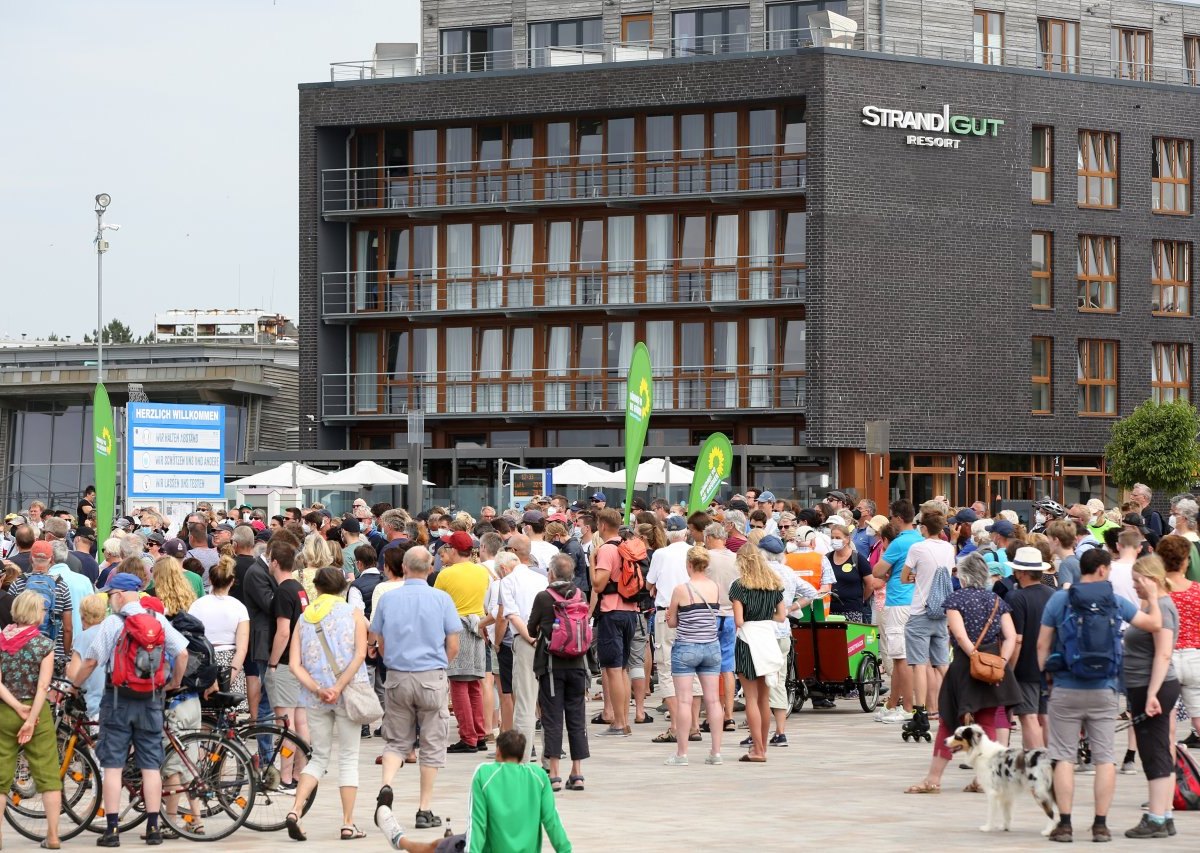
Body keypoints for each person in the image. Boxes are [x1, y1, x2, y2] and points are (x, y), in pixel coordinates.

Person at [1037, 548, 1162, 843]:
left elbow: (1042, 644)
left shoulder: (1060, 599)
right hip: (1104, 688)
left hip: (1066, 687)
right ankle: (1100, 825)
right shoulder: (1114, 601)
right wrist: (1153, 597)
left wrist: (1047, 677)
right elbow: (1153, 624)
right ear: (1103, 570)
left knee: (1064, 756)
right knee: (1105, 758)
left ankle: (1065, 824)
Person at [67, 573, 189, 846]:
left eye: (111, 595)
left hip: (118, 699)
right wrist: (174, 683)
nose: (110, 600)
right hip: (151, 700)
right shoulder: (157, 620)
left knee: (112, 766)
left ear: (120, 595)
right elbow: (182, 652)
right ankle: (154, 828)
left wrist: (74, 686)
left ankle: (112, 831)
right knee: (150, 765)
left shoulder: (113, 622)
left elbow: (90, 661)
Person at [904, 552, 1022, 795]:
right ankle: (984, 779)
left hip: (965, 667)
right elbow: (1010, 636)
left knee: (949, 723)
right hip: (993, 668)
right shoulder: (997, 601)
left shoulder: (956, 599)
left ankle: (933, 779)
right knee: (988, 722)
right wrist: (1000, 661)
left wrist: (973, 655)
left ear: (964, 577)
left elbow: (959, 635)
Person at [370, 546, 461, 830]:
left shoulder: (388, 599)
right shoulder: (442, 599)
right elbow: (454, 644)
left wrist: (392, 659)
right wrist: (439, 665)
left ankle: (386, 785)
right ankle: (424, 808)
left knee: (396, 741)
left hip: (398, 675)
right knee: (432, 743)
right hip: (430, 675)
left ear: (404, 568)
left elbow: (379, 639)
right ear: (430, 569)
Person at [375, 730, 570, 853]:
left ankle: (399, 839)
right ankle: (400, 840)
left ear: (499, 753)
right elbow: (552, 822)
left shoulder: (485, 773)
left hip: (481, 847)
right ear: (521, 756)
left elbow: (477, 823)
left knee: (435, 846)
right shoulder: (539, 776)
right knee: (443, 843)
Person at [285, 566, 371, 841]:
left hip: (315, 697)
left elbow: (294, 665)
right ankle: (347, 823)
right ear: (342, 589)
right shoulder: (353, 614)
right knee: (348, 759)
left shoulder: (304, 619)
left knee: (319, 757)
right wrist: (337, 687)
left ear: (317, 588)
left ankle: (296, 810)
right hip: (348, 693)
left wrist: (319, 689)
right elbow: (360, 655)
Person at [1121, 555, 1181, 839]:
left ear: (1152, 580)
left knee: (1154, 751)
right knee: (1156, 750)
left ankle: (1156, 816)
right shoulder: (1156, 605)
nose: (1134, 587)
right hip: (1146, 685)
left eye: (1138, 582)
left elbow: (1164, 652)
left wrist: (1152, 693)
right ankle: (1164, 814)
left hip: (1151, 686)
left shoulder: (1164, 608)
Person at [0, 590, 63, 848]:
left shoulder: (1, 640)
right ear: (37, 613)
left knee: (1, 777)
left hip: (5, 710)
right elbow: (43, 687)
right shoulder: (44, 644)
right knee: (48, 774)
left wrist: (16, 706)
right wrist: (31, 717)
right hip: (37, 714)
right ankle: (53, 835)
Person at [529, 554, 590, 790]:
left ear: (551, 573)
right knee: (576, 718)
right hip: (578, 664)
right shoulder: (580, 595)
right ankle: (577, 773)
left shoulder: (544, 597)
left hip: (551, 666)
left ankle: (554, 773)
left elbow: (532, 629)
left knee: (552, 719)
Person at [662, 545, 727, 766]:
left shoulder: (681, 589)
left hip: (686, 647)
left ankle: (682, 754)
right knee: (713, 700)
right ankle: (715, 752)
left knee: (684, 701)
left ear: (689, 565)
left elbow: (672, 622)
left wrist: (671, 616)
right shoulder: (716, 587)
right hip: (711, 646)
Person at [434, 531, 491, 754]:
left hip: (456, 630)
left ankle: (468, 737)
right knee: (474, 684)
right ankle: (479, 733)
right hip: (478, 628)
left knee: (458, 685)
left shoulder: (445, 575)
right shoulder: (482, 572)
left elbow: (436, 605)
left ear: (454, 550)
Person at [730, 543, 787, 763]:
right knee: (764, 699)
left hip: (747, 640)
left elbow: (739, 620)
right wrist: (765, 619)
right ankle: (762, 747)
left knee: (750, 698)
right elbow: (781, 616)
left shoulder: (739, 586)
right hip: (768, 638)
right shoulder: (774, 584)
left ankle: (757, 748)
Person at [901, 510, 955, 736]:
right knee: (942, 662)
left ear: (923, 527)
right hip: (941, 610)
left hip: (921, 609)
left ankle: (920, 712)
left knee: (919, 664)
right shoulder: (948, 548)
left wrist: (914, 577)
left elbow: (904, 577)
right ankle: (956, 703)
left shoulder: (918, 548)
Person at [646, 515, 696, 743]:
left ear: (667, 534)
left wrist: (655, 587)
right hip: (694, 612)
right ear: (685, 533)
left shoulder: (660, 554)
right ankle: (693, 724)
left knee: (667, 667)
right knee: (693, 666)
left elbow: (649, 583)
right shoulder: (694, 552)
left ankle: (676, 725)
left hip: (667, 612)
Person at [498, 534, 548, 760]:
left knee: (525, 704)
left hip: (527, 641)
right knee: (547, 702)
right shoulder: (541, 578)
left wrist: (530, 638)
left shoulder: (507, 582)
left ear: (503, 567)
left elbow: (512, 615)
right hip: (549, 641)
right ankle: (551, 757)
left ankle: (523, 759)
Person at [590, 509, 639, 739]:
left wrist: (592, 561)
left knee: (612, 669)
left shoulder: (607, 549)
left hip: (612, 612)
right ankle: (624, 721)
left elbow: (599, 584)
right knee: (623, 668)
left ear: (601, 525)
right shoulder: (626, 545)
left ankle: (619, 723)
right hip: (631, 611)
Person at [267, 543, 311, 790]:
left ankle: (284, 777)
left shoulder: (283, 591)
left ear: (275, 562)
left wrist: (273, 662)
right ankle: (300, 772)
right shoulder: (299, 589)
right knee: (301, 722)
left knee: (284, 724)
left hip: (285, 662)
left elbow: (283, 631)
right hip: (301, 662)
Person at [872, 500, 921, 723]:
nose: (891, 521)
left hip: (898, 600)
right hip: (916, 601)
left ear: (899, 518)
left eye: (891, 517)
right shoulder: (921, 539)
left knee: (900, 658)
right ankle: (894, 703)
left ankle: (907, 707)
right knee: (907, 657)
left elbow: (877, 570)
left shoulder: (900, 543)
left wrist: (888, 571)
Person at [1006, 547, 1056, 749]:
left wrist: (1009, 669)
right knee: (1045, 715)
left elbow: (1017, 639)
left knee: (1028, 716)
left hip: (1025, 667)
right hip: (1050, 664)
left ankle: (1036, 761)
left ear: (1022, 572)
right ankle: (1054, 759)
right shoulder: (1053, 594)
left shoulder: (1016, 597)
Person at [188, 556, 249, 704]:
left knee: (204, 715)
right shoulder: (239, 607)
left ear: (209, 579)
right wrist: (231, 675)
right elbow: (242, 649)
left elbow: (190, 639)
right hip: (230, 662)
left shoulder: (197, 605)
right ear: (232, 581)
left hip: (204, 661)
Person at [1159, 534, 1200, 748]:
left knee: (1168, 718)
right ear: (1186, 560)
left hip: (1168, 658)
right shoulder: (1197, 590)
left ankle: (1169, 767)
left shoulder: (1158, 591)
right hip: (1195, 656)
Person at [9, 539, 73, 668]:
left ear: (30, 558)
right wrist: (66, 656)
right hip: (53, 653)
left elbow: (11, 621)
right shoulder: (61, 586)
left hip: (22, 652)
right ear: (52, 559)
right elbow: (67, 628)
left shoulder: (18, 584)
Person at [66, 592, 109, 719]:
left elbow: (73, 674)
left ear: (83, 615)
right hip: (113, 701)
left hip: (92, 703)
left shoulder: (83, 637)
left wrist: (68, 668)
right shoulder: (109, 632)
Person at [825, 524, 877, 623]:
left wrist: (861, 599)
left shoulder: (858, 558)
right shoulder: (827, 558)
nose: (834, 540)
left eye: (838, 538)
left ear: (847, 539)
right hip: (830, 611)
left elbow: (870, 584)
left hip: (852, 611)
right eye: (832, 538)